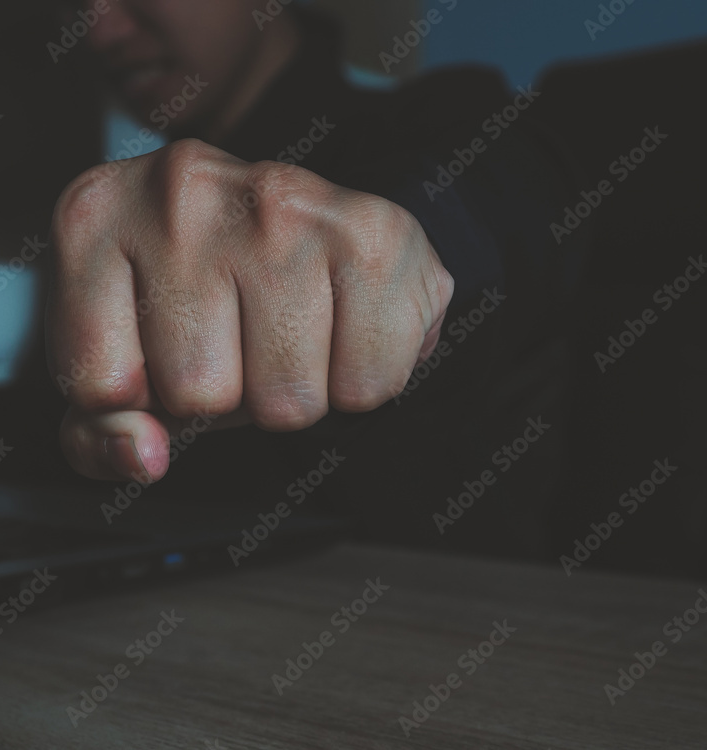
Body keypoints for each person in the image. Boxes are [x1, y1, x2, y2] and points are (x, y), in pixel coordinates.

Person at [47, 0, 583, 556]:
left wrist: (396, 246)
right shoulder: (113, 227)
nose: (98, 28)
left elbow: (509, 201)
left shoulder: (448, 117)